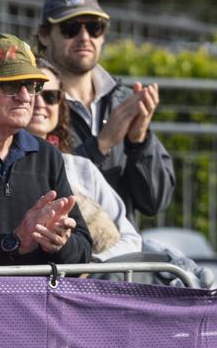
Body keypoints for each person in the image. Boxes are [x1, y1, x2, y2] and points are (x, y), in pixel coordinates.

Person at [34, 0, 174, 222]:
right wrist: (101, 144)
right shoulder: (32, 100)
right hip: (63, 252)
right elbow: (35, 184)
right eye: (71, 28)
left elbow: (155, 201)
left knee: (182, 261)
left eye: (94, 27)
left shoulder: (123, 100)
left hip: (122, 250)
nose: (85, 37)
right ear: (44, 35)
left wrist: (139, 142)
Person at [28, 59, 142, 261]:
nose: (40, 103)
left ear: (60, 105)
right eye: (32, 92)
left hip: (91, 285)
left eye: (51, 96)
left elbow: (131, 238)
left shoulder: (81, 168)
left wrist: (91, 267)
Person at [0, 34, 90, 266]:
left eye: (32, 85)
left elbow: (83, 248)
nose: (25, 96)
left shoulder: (47, 156)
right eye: (10, 85)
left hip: (36, 301)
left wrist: (60, 243)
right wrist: (15, 242)